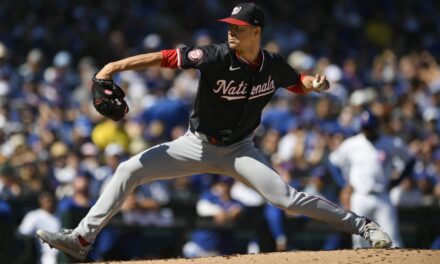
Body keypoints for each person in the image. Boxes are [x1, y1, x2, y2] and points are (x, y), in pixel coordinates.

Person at [36, 2, 391, 261]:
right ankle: (81, 239)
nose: (230, 31)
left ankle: (364, 226)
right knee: (129, 169)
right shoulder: (215, 56)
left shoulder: (272, 64)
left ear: (256, 31)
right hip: (197, 145)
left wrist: (312, 83)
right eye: (229, 26)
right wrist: (114, 66)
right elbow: (165, 58)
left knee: (287, 200)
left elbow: (295, 81)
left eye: (238, 27)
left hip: (241, 151)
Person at [328, 109, 413, 248]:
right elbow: (333, 161)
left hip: (383, 196)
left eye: (370, 127)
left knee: (392, 237)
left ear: (376, 127)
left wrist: (398, 181)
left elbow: (410, 160)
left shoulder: (390, 142)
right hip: (360, 196)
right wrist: (344, 183)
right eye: (365, 127)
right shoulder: (353, 143)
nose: (367, 130)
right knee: (360, 241)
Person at [18, 192, 61, 264]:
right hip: (45, 255)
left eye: (51, 201)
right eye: (47, 201)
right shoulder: (34, 216)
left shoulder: (60, 215)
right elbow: (23, 233)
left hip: (63, 253)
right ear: (41, 202)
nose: (49, 204)